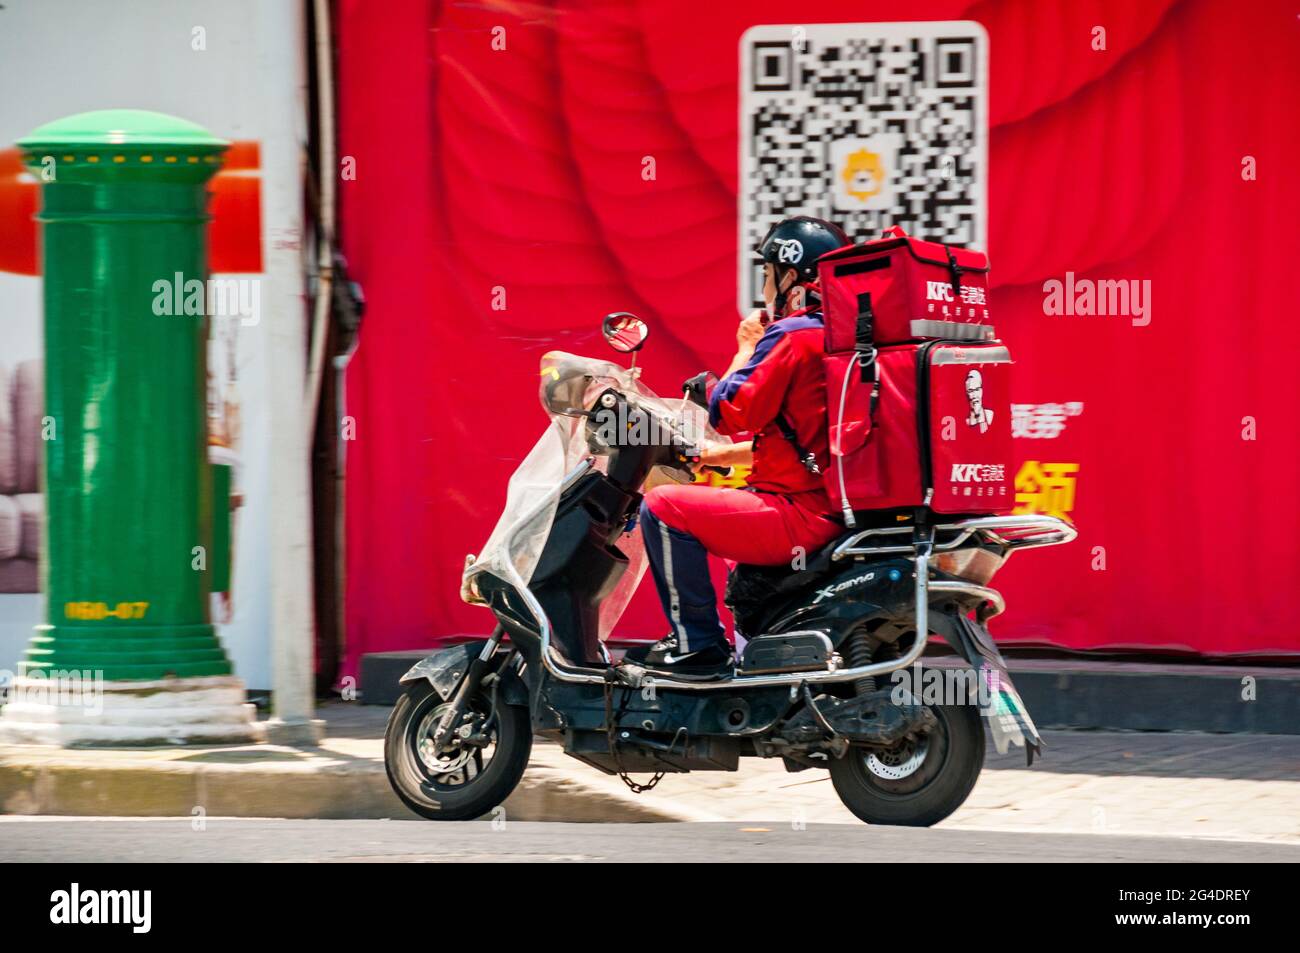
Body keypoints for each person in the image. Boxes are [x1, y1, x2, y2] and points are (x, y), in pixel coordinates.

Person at [625, 216, 851, 674]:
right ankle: (757, 653)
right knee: (730, 531)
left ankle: (696, 647)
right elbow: (800, 441)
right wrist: (711, 456)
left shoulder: (792, 336)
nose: (765, 286)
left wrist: (747, 346)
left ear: (791, 276)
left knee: (664, 508)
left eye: (768, 274)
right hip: (830, 505)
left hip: (800, 513)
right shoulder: (843, 337)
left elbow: (731, 411)